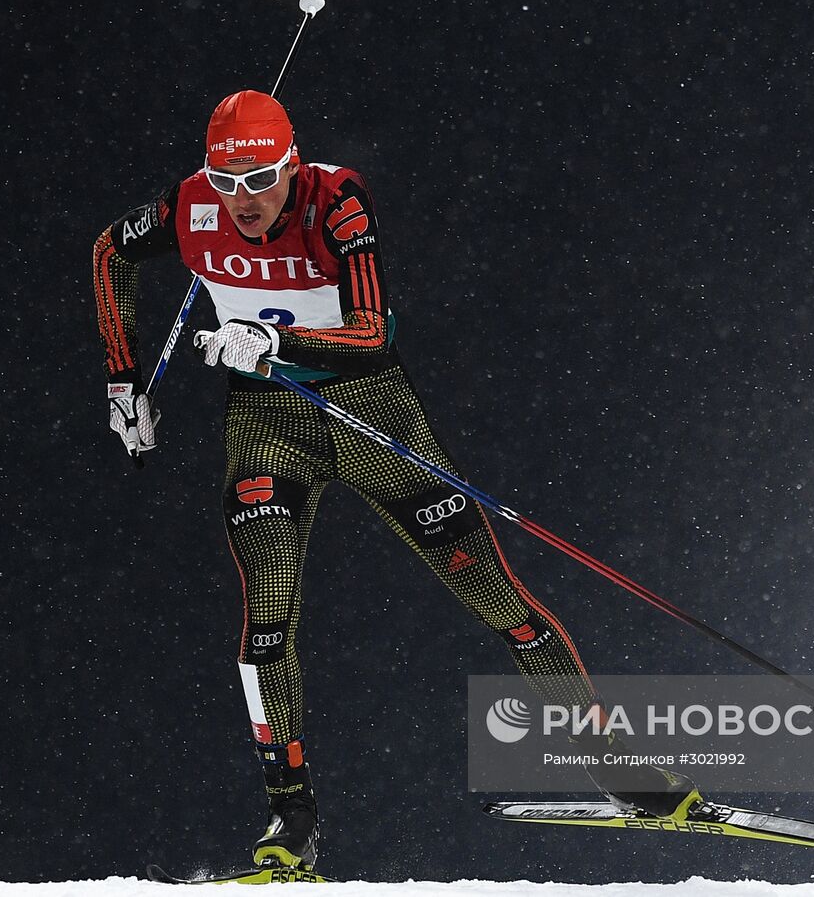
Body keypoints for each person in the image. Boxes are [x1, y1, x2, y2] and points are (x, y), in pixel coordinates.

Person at [92, 90, 698, 872]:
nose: (244, 201)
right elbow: (110, 251)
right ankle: (292, 816)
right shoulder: (191, 207)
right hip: (267, 424)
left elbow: (371, 330)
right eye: (228, 180)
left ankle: (615, 767)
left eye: (263, 179)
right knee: (268, 606)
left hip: (371, 409)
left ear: (291, 163)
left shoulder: (336, 199)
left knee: (497, 597)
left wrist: (266, 338)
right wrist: (121, 383)